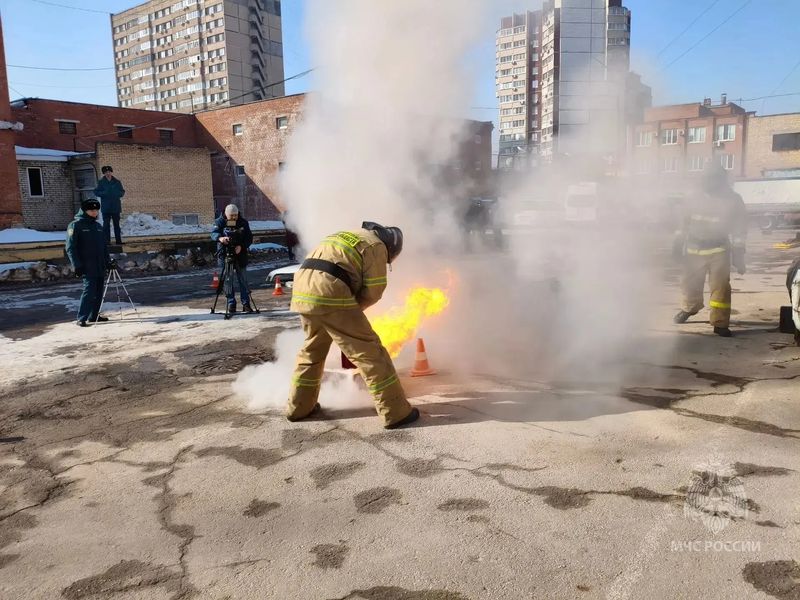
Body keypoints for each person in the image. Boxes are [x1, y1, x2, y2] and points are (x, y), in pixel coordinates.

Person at [286, 222, 419, 429]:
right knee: (371, 353)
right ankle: (396, 412)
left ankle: (299, 408)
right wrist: (353, 313)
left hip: (303, 289)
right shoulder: (376, 246)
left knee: (312, 350)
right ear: (391, 246)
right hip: (330, 293)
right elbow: (373, 290)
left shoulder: (351, 236)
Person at [673, 163, 747, 337]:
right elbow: (683, 223)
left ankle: (720, 322)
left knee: (720, 287)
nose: (710, 183)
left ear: (721, 181)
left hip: (718, 250)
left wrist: (738, 254)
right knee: (689, 284)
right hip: (693, 249)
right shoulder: (692, 198)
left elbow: (739, 229)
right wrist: (677, 243)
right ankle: (690, 308)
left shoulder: (733, 200)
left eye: (714, 180)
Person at [66, 199, 112, 327]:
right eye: (92, 210)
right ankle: (82, 317)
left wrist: (108, 261)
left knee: (98, 292)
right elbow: (70, 248)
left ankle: (94, 315)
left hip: (100, 265)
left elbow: (103, 247)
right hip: (87, 265)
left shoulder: (98, 226)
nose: (95, 212)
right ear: (85, 210)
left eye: (96, 210)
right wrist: (77, 265)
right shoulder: (76, 225)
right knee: (89, 291)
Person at [210, 204, 253, 313]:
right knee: (228, 281)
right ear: (226, 214)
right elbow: (213, 234)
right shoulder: (219, 222)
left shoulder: (243, 222)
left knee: (243, 280)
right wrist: (220, 238)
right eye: (232, 215)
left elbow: (249, 238)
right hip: (225, 255)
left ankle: (246, 303)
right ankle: (231, 303)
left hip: (240, 255)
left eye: (236, 215)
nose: (234, 217)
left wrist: (241, 246)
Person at [93, 165, 125, 245]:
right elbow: (96, 192)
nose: (108, 173)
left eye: (109, 172)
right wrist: (104, 193)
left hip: (115, 207)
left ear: (111, 172)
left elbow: (122, 191)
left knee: (116, 225)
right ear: (104, 173)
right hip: (106, 207)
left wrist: (117, 194)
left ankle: (119, 241)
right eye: (106, 172)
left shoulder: (117, 182)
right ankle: (107, 241)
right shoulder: (101, 182)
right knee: (106, 225)